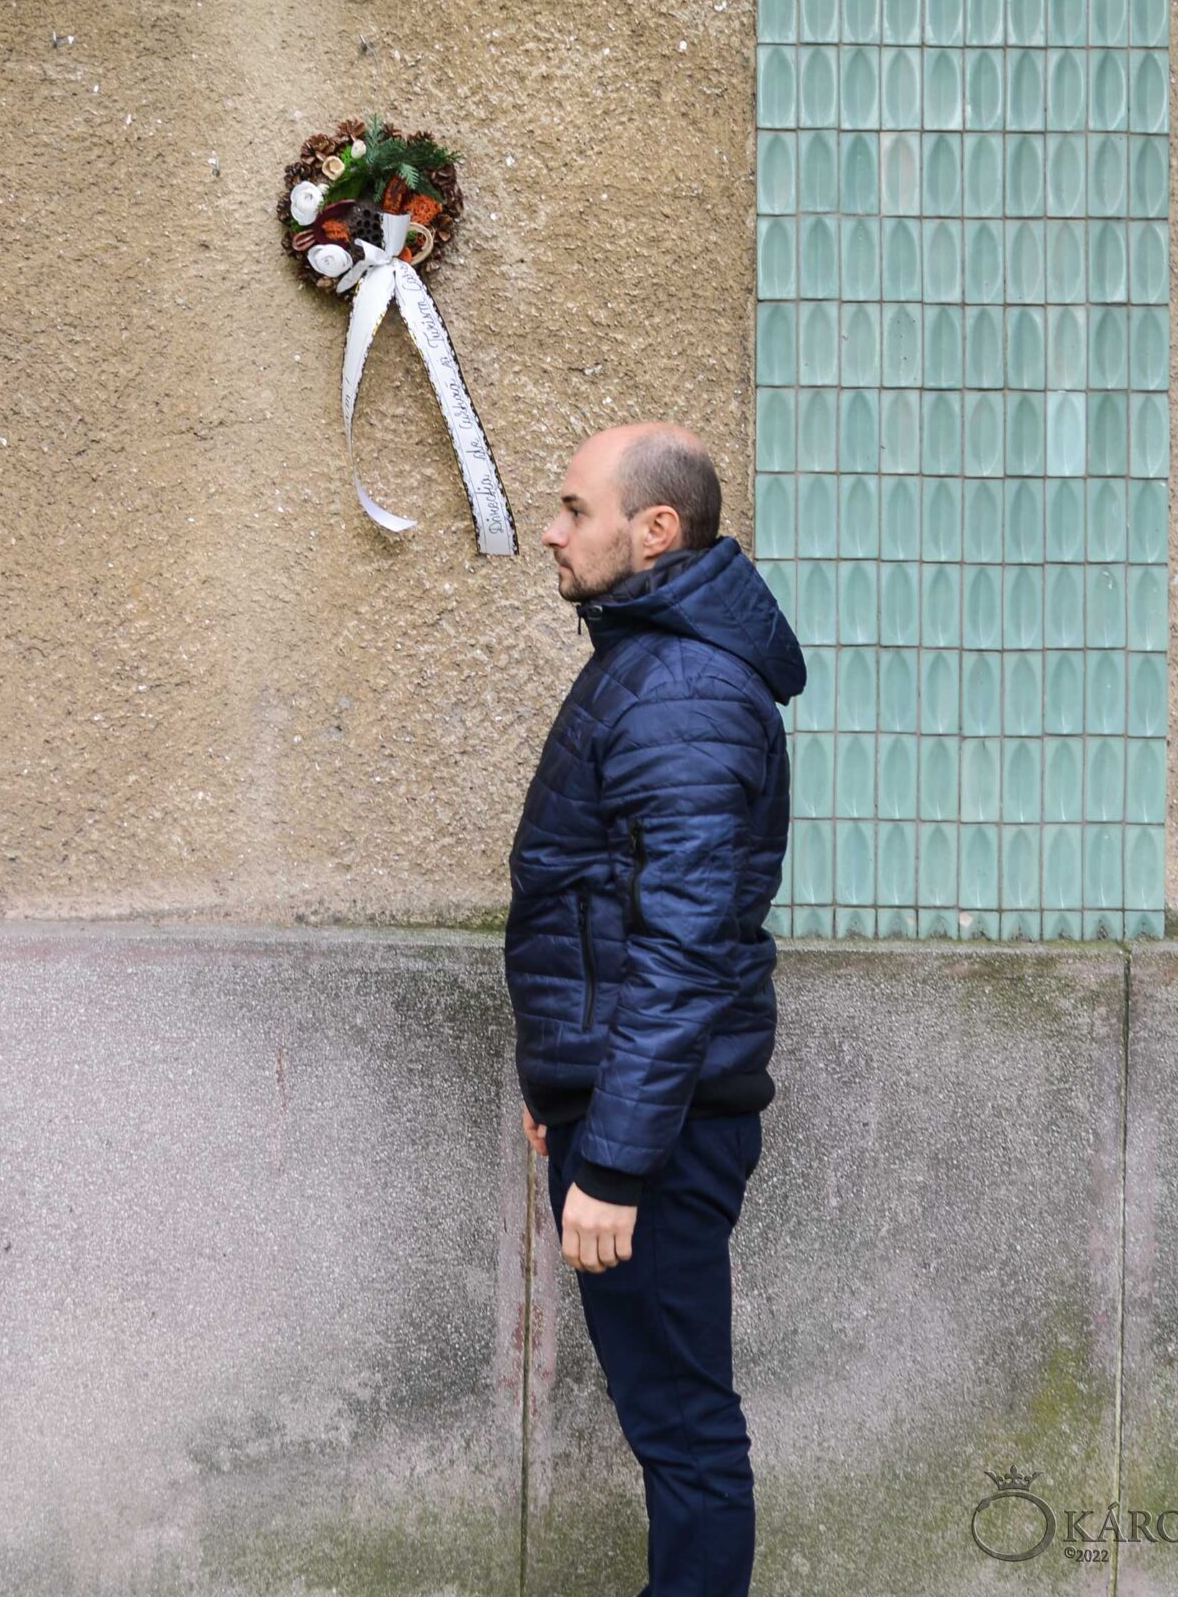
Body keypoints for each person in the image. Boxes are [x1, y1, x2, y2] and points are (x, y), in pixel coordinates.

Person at [506, 422, 804, 1597]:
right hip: (630, 1107)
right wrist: (562, 1087)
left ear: (655, 530)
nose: (551, 528)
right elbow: (607, 904)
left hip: (660, 1133)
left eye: (574, 507)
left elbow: (681, 948)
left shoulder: (682, 683)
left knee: (683, 1427)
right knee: (667, 1416)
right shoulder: (656, 658)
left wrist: (617, 1157)